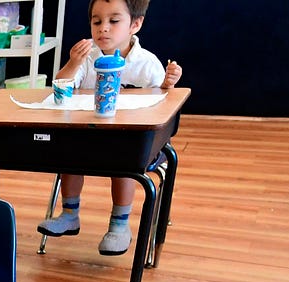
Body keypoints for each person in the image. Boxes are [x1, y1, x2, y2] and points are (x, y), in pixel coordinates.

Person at [36, 0, 183, 255]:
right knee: (66, 153)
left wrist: (169, 84)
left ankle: (119, 225)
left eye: (114, 21)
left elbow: (164, 103)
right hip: (88, 136)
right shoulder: (87, 57)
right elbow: (60, 89)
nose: (103, 28)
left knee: (125, 162)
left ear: (135, 24)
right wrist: (72, 63)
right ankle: (70, 213)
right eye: (96, 21)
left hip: (127, 142)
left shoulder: (146, 63)